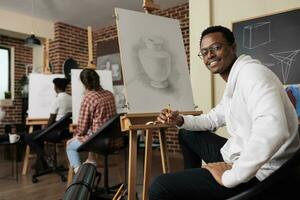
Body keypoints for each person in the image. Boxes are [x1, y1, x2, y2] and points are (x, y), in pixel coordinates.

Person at [149, 26, 300, 200]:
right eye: (204, 52)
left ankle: (200, 186)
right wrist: (180, 119)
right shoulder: (235, 82)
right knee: (187, 133)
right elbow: (212, 119)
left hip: (261, 175)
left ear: (233, 47)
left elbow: (274, 130)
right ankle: (192, 190)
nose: (210, 55)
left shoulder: (252, 75)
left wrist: (229, 177)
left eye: (216, 47)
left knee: (159, 187)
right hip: (242, 156)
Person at [66, 68, 116, 173]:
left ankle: (80, 176)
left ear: (84, 83)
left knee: (70, 146)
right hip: (113, 139)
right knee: (93, 132)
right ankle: (91, 161)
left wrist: (75, 136)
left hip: (98, 141)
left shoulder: (89, 97)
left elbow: (82, 127)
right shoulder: (109, 94)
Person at [24, 78, 72, 171]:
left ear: (56, 87)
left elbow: (51, 120)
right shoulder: (71, 98)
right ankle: (41, 164)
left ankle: (46, 157)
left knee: (28, 137)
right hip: (66, 132)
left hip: (55, 133)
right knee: (38, 136)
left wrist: (44, 130)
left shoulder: (57, 100)